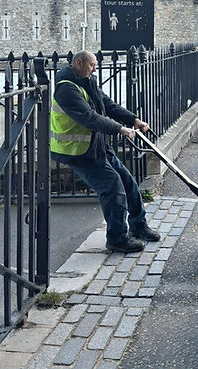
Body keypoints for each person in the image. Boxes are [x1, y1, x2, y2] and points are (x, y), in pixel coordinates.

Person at [50, 50, 160, 253]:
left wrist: (133, 120)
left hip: (97, 146)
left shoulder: (87, 82)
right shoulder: (66, 89)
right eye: (92, 65)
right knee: (112, 188)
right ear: (79, 63)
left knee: (128, 182)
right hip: (78, 152)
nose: (95, 68)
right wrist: (120, 129)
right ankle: (117, 238)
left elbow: (108, 105)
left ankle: (138, 226)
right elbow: (90, 117)